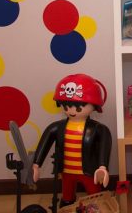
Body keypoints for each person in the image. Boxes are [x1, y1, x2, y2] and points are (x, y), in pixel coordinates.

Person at [32, 73, 112, 208]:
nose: (71, 111)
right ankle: (67, 206)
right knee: (67, 197)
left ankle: (95, 207)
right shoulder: (57, 127)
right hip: (66, 171)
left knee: (94, 197)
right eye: (66, 106)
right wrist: (36, 164)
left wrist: (103, 167)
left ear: (94, 105)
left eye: (78, 107)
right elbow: (45, 143)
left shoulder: (99, 129)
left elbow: (105, 147)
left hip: (89, 171)